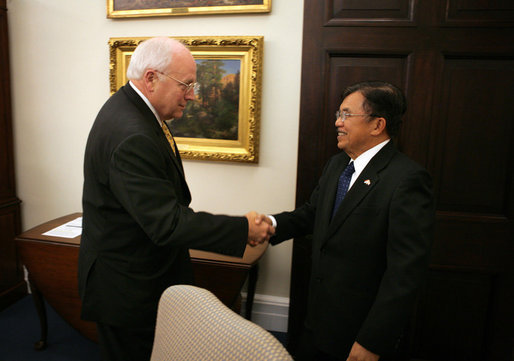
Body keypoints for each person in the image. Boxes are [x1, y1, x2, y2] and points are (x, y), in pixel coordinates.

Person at [78, 37, 274, 361]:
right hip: (129, 291)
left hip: (138, 276)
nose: (193, 95)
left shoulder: (134, 110)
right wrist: (243, 229)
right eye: (186, 84)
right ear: (152, 78)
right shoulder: (132, 134)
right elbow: (166, 224)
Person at [260, 81, 434, 360]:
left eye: (346, 115)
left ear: (377, 125)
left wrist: (372, 341)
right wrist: (268, 224)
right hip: (316, 322)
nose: (338, 123)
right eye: (337, 115)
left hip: (358, 334)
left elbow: (405, 273)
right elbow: (312, 214)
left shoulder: (407, 180)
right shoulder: (337, 165)